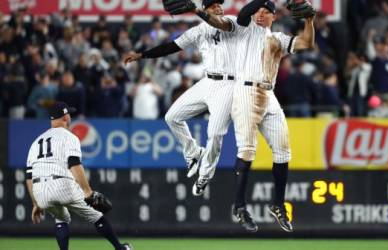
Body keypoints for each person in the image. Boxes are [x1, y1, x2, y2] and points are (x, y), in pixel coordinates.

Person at [197, 0, 315, 232]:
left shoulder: (278, 39)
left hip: (268, 94)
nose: (260, 14)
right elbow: (239, 14)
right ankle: (239, 206)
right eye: (258, 11)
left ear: (274, 17)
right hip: (245, 92)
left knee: (283, 152)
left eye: (266, 12)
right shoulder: (244, 29)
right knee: (247, 150)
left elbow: (306, 42)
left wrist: (310, 20)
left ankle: (278, 204)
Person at [124, 0, 238, 196]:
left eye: (220, 4)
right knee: (172, 117)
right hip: (207, 81)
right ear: (205, 9)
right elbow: (170, 47)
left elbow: (221, 24)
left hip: (228, 85)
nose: (218, 7)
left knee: (215, 134)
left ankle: (204, 176)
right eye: (213, 6)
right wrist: (142, 55)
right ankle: (193, 152)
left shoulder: (232, 22)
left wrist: (198, 11)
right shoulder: (198, 31)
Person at [25, 101, 132, 250]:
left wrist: (36, 203)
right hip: (61, 185)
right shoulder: (69, 137)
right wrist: (87, 191)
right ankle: (120, 248)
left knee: (61, 218)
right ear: (65, 117)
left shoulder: (36, 142)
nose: (70, 117)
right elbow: (74, 164)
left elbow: (29, 176)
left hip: (40, 192)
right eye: (69, 114)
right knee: (95, 215)